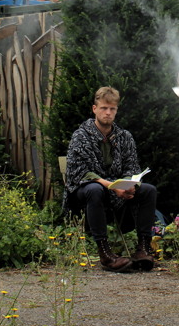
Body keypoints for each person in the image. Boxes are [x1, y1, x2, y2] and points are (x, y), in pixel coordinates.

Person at [64, 86, 157, 272]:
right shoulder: (81, 136)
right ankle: (105, 254)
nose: (108, 112)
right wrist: (112, 186)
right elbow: (79, 172)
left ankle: (143, 249)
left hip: (118, 190)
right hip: (85, 191)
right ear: (94, 109)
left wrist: (129, 185)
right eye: (104, 108)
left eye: (112, 109)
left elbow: (131, 167)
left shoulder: (124, 137)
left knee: (148, 190)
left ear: (116, 110)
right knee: (94, 189)